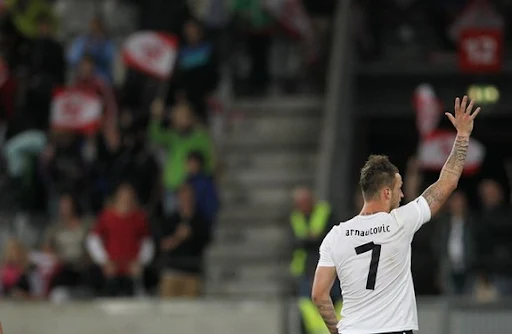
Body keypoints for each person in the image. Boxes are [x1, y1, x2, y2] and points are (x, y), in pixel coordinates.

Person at [312, 96, 480, 334]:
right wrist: (462, 136)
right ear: (387, 191)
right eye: (400, 188)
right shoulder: (400, 222)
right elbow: (447, 183)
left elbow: (319, 295)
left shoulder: (336, 235)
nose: (402, 196)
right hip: (394, 330)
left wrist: (336, 331)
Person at [86, 183, 154, 297]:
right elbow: (93, 241)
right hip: (112, 270)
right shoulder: (107, 216)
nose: (126, 200)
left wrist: (140, 262)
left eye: (129, 197)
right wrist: (104, 261)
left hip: (133, 271)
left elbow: (147, 243)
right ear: (117, 197)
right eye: (123, 196)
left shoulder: (139, 217)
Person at [289, 187, 341, 334]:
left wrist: (308, 240)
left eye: (305, 202)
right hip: (305, 270)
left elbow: (330, 238)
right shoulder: (295, 217)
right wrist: (312, 239)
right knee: (307, 306)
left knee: (334, 300)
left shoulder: (325, 212)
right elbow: (294, 242)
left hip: (329, 268)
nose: (302, 206)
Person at [158, 184, 210, 298]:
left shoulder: (200, 221)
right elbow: (163, 246)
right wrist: (178, 237)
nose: (186, 200)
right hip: (171, 273)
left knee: (191, 312)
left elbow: (205, 244)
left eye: (189, 197)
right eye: (183, 197)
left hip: (192, 274)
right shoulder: (169, 220)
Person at [433, 190, 476, 295]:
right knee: (450, 301)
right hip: (447, 269)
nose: (458, 204)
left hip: (468, 269)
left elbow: (476, 245)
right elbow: (437, 245)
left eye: (460, 200)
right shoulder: (442, 224)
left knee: (468, 300)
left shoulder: (472, 223)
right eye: (454, 200)